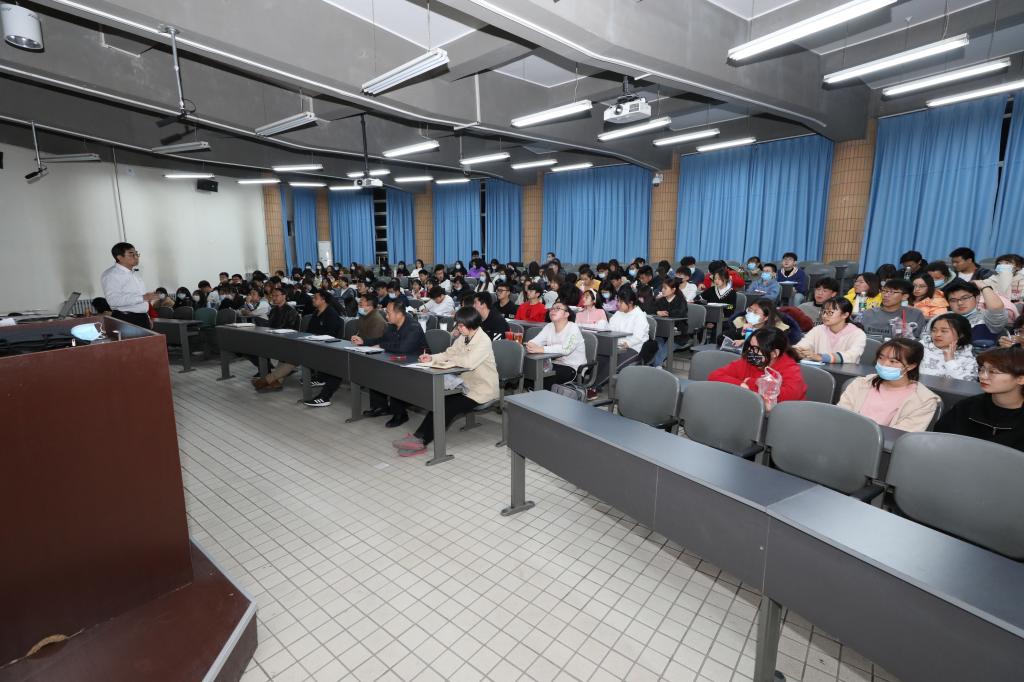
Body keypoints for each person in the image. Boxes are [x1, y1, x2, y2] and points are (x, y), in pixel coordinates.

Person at [391, 307, 500, 457]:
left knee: (448, 406)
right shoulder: (464, 336)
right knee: (440, 401)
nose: (458, 329)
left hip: (483, 389)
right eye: (458, 325)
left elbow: (468, 363)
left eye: (461, 325)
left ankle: (421, 440)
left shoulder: (483, 341)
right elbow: (449, 353)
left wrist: (450, 360)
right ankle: (418, 437)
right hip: (466, 385)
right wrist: (431, 358)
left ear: (471, 324)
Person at [837, 338, 940, 432]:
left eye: (893, 361)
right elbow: (840, 417)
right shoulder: (860, 384)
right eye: (881, 358)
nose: (884, 364)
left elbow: (900, 436)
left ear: (910, 366)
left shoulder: (924, 400)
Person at [934, 347, 1024, 450]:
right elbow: (939, 440)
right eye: (982, 370)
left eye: (993, 372)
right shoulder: (966, 407)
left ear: (1021, 379)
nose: (983, 376)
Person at [364, 300, 429, 428]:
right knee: (376, 369)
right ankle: (380, 407)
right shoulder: (392, 325)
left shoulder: (413, 327)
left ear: (399, 314)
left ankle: (400, 414)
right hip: (399, 359)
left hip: (417, 363)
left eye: (388, 313)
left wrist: (381, 346)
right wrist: (364, 341)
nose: (386, 315)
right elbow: (381, 339)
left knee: (394, 374)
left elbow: (403, 348)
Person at [708, 327, 807, 409]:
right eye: (750, 346)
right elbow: (714, 376)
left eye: (756, 349)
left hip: (781, 418)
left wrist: (750, 382)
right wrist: (742, 385)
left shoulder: (790, 368)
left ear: (774, 353)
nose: (751, 351)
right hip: (749, 411)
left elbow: (784, 397)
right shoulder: (749, 361)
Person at [591, 287, 652, 395]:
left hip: (633, 348)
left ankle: (593, 387)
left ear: (631, 303)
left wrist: (623, 344)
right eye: (618, 301)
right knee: (600, 356)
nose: (618, 304)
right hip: (616, 344)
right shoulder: (619, 313)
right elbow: (610, 329)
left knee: (613, 361)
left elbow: (637, 338)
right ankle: (591, 382)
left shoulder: (640, 316)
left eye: (621, 302)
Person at [251, 288, 303, 392]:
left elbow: (291, 331)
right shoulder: (273, 310)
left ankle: (267, 380)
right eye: (272, 296)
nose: (274, 298)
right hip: (275, 339)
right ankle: (276, 382)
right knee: (253, 347)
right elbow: (269, 326)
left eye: (276, 295)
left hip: (288, 341)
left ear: (284, 296)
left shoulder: (291, 311)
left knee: (286, 357)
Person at [525, 302, 587, 388]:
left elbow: (566, 349)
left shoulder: (573, 328)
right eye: (552, 309)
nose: (553, 310)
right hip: (553, 365)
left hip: (572, 368)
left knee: (542, 379)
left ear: (566, 314)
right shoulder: (549, 326)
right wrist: (531, 345)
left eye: (557, 308)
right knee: (529, 374)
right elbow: (535, 341)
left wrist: (541, 349)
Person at [302, 291, 347, 407]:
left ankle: (324, 396)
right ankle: (321, 377)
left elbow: (331, 335)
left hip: (330, 347)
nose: (313, 300)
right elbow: (310, 330)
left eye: (315, 298)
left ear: (323, 300)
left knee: (337, 367)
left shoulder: (331, 314)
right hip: (317, 345)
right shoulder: (316, 312)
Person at [100, 242, 159, 328]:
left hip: (142, 318)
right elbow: (113, 300)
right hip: (126, 319)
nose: (136, 257)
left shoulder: (134, 273)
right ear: (120, 257)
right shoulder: (111, 275)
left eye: (136, 254)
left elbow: (140, 299)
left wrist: (146, 316)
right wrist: (144, 297)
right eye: (131, 254)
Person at [793, 297, 866, 364]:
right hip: (820, 371)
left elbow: (852, 356)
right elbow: (802, 345)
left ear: (845, 315)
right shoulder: (818, 329)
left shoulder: (857, 334)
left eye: (830, 312)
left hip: (845, 373)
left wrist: (821, 357)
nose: (824, 316)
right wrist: (798, 352)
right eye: (823, 312)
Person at [943, 280, 1009, 345]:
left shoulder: (987, 318)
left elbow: (996, 308)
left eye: (965, 298)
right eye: (953, 300)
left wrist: (983, 286)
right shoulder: (942, 319)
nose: (960, 303)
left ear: (977, 298)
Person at [856, 280, 925, 339]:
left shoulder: (915, 315)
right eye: (884, 291)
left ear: (904, 296)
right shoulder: (867, 314)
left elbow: (918, 341)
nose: (886, 295)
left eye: (892, 292)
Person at [919, 312, 978, 381]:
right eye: (934, 330)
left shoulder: (968, 359)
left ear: (961, 334)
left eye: (944, 331)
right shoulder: (921, 348)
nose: (937, 334)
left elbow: (967, 384)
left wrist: (950, 361)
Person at [725, 297, 803, 346]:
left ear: (766, 317)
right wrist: (741, 332)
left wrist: (746, 341)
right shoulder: (740, 321)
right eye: (750, 310)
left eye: (755, 312)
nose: (751, 314)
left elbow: (772, 345)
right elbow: (721, 338)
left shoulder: (779, 329)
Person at [652, 277, 687, 366]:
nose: (662, 290)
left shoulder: (681, 301)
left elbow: (681, 313)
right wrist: (657, 312)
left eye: (665, 288)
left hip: (677, 334)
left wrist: (667, 313)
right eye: (662, 288)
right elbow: (650, 309)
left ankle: (656, 366)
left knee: (665, 349)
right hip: (661, 332)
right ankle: (658, 366)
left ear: (673, 289)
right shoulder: (661, 301)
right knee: (657, 343)